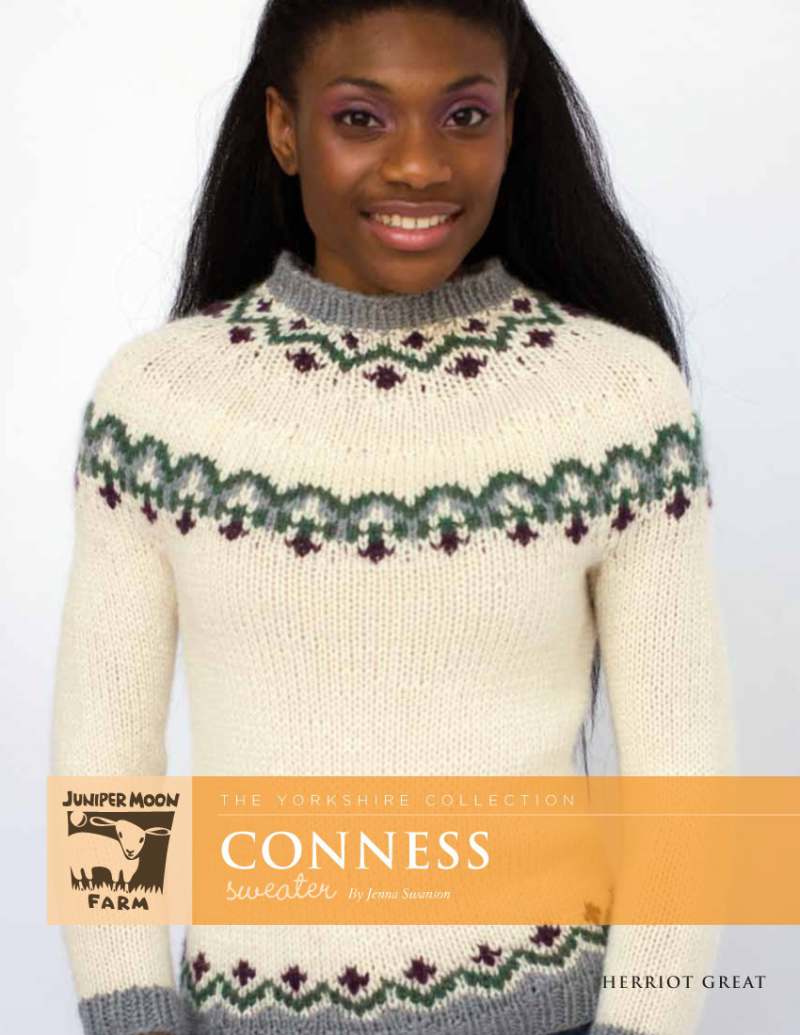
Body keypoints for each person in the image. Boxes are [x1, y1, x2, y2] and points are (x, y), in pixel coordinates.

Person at [50, 2, 736, 1034]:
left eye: (464, 116)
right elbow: (105, 770)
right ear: (284, 129)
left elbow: (683, 782)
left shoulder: (615, 405)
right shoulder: (160, 408)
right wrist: (131, 1016)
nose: (418, 164)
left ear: (512, 124)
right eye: (361, 119)